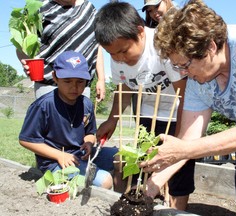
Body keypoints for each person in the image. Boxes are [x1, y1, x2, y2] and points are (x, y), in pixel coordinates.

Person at [140, 0, 236, 215]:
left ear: (210, 47)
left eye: (185, 64)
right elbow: (187, 141)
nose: (182, 73)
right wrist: (151, 187)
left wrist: (184, 150)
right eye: (177, 66)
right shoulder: (197, 79)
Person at [94, 2, 195, 209]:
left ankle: (176, 210)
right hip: (147, 113)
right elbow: (123, 89)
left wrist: (179, 136)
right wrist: (112, 119)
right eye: (112, 54)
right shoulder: (117, 53)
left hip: (176, 114)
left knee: (179, 169)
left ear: (140, 32)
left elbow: (184, 94)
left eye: (123, 51)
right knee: (145, 163)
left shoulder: (162, 46)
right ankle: (143, 206)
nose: (119, 58)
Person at [19, 51, 117, 190]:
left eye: (80, 82)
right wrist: (59, 155)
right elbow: (26, 139)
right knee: (105, 180)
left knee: (119, 157)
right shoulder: (44, 105)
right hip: (54, 162)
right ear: (55, 77)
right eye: (67, 81)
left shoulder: (86, 104)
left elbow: (90, 133)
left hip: (80, 154)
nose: (74, 87)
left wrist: (89, 142)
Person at [17, 0, 106, 101]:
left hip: (82, 85)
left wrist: (101, 79)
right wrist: (27, 62)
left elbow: (96, 45)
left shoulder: (90, 9)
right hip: (49, 84)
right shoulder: (39, 6)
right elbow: (21, 43)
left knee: (81, 116)